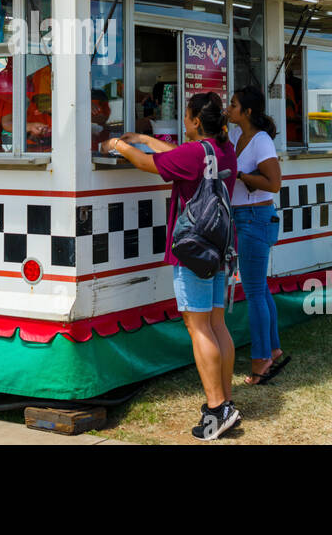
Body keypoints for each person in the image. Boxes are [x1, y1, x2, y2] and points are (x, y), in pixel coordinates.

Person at [102, 93, 240, 440]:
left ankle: (215, 409)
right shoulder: (224, 150)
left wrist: (119, 143)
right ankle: (227, 402)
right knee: (217, 323)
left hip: (193, 250)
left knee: (199, 328)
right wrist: (146, 140)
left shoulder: (195, 154)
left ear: (195, 121)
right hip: (221, 247)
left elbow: (150, 165)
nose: (184, 120)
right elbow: (179, 156)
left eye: (187, 116)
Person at [226, 86, 287, 385]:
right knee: (259, 289)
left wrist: (240, 176)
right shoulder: (237, 136)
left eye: (233, 104)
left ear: (247, 112)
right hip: (246, 217)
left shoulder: (260, 141)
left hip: (254, 218)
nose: (229, 107)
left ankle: (261, 359)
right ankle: (272, 349)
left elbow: (274, 183)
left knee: (253, 292)